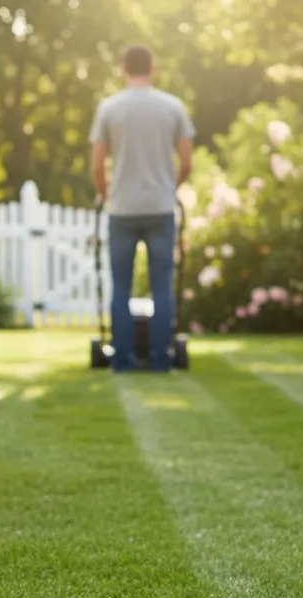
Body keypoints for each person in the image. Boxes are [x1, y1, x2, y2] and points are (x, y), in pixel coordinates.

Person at [90, 44, 194, 372]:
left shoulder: (109, 108)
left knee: (120, 287)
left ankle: (121, 360)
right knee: (161, 286)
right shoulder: (172, 107)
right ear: (153, 68)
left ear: (123, 68)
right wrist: (169, 187)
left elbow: (96, 166)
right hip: (161, 208)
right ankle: (161, 359)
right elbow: (187, 161)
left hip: (121, 209)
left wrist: (107, 194)